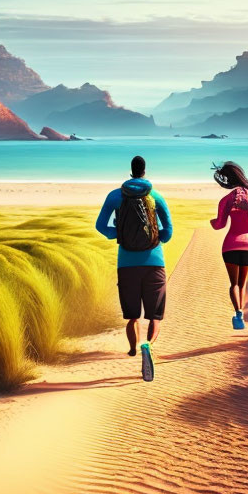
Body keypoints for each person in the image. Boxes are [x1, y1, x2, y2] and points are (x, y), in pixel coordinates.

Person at [96, 155, 173, 381]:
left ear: (130, 171)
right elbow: (168, 230)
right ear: (145, 171)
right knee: (154, 316)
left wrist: (119, 234)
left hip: (126, 263)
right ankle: (148, 347)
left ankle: (133, 349)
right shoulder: (155, 196)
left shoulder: (115, 196)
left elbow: (100, 226)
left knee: (132, 316)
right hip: (154, 262)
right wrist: (157, 238)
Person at [209, 161, 248, 330]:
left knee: (234, 284)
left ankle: (237, 313)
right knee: (242, 283)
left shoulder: (225, 200)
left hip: (230, 245)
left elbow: (220, 225)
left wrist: (212, 222)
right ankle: (241, 316)